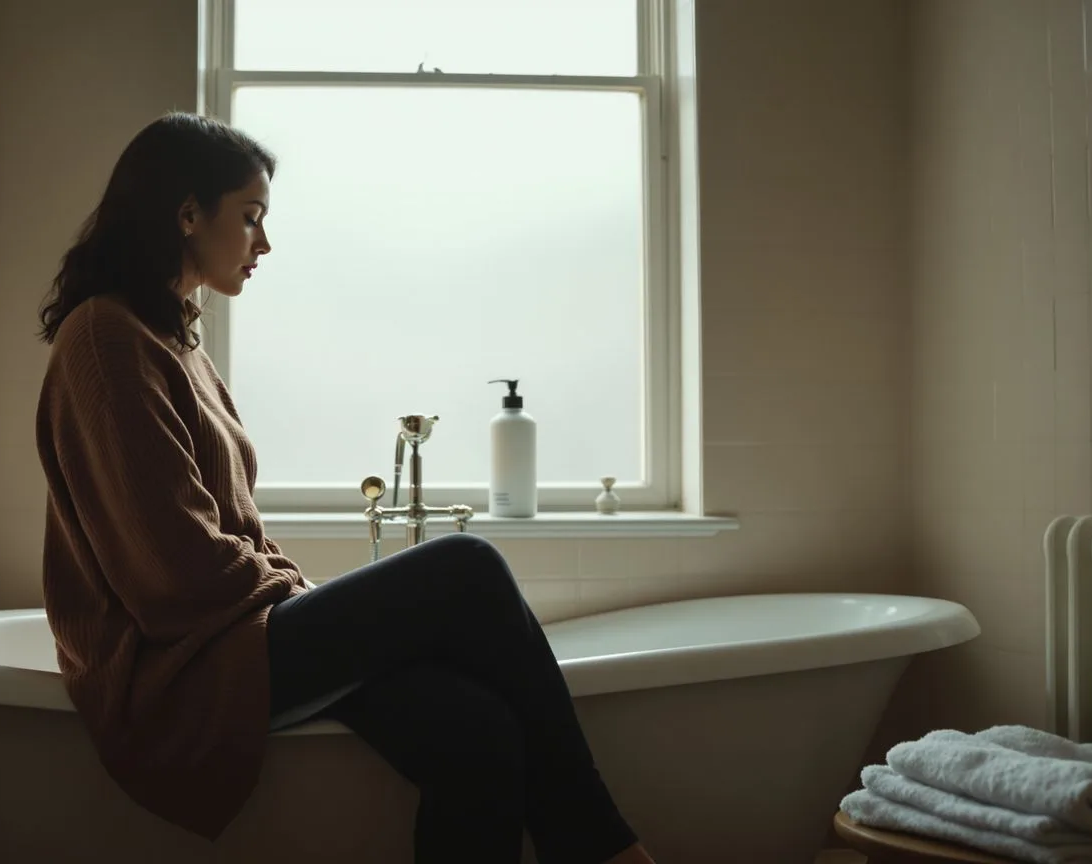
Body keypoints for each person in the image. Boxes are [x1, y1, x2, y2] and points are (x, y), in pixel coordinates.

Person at [34, 111, 657, 864]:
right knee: (466, 568)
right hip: (179, 671)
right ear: (188, 213)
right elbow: (171, 573)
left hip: (230, 640)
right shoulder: (106, 339)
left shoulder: (172, 339)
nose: (264, 243)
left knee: (479, 731)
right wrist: (298, 596)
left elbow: (222, 542)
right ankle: (597, 846)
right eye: (252, 218)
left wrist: (300, 597)